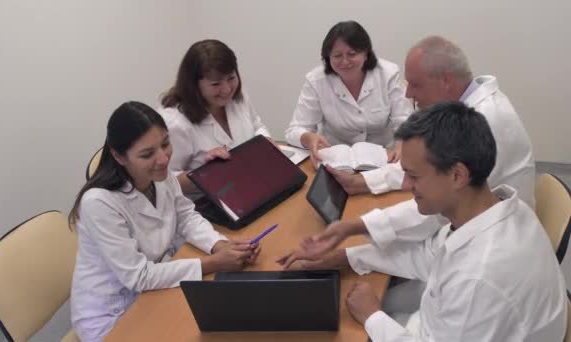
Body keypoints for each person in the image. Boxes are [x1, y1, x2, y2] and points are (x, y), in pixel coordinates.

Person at [278, 102, 567, 341]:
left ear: (457, 175)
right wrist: (344, 257)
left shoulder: (478, 278)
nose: (405, 186)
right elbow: (428, 257)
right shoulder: (497, 211)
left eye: (414, 176)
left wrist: (373, 316)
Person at [68, 102, 260, 342]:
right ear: (118, 156)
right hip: (113, 314)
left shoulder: (158, 173)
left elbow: (186, 217)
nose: (163, 159)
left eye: (166, 144)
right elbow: (139, 277)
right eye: (147, 154)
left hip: (155, 285)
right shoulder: (99, 203)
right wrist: (214, 263)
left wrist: (220, 245)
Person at [322, 36, 536, 251]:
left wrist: (358, 226)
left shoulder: (486, 121)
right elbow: (428, 166)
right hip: (474, 230)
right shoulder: (464, 111)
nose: (408, 94)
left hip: (496, 243)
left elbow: (437, 209)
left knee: (375, 271)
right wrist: (362, 182)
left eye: (415, 85)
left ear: (446, 81)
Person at [285, 20, 412, 168]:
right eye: (337, 55)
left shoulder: (388, 74)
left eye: (352, 54)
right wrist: (307, 137)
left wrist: (402, 144)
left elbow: (405, 121)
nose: (345, 61)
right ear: (328, 57)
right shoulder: (316, 81)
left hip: (385, 160)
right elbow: (295, 130)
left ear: (366, 53)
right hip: (335, 163)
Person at [159, 39, 272, 196]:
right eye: (215, 84)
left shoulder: (238, 97)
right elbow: (163, 182)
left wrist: (265, 143)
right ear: (194, 84)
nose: (226, 89)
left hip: (248, 185)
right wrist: (206, 173)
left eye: (231, 78)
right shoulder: (175, 123)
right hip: (205, 203)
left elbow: (257, 126)